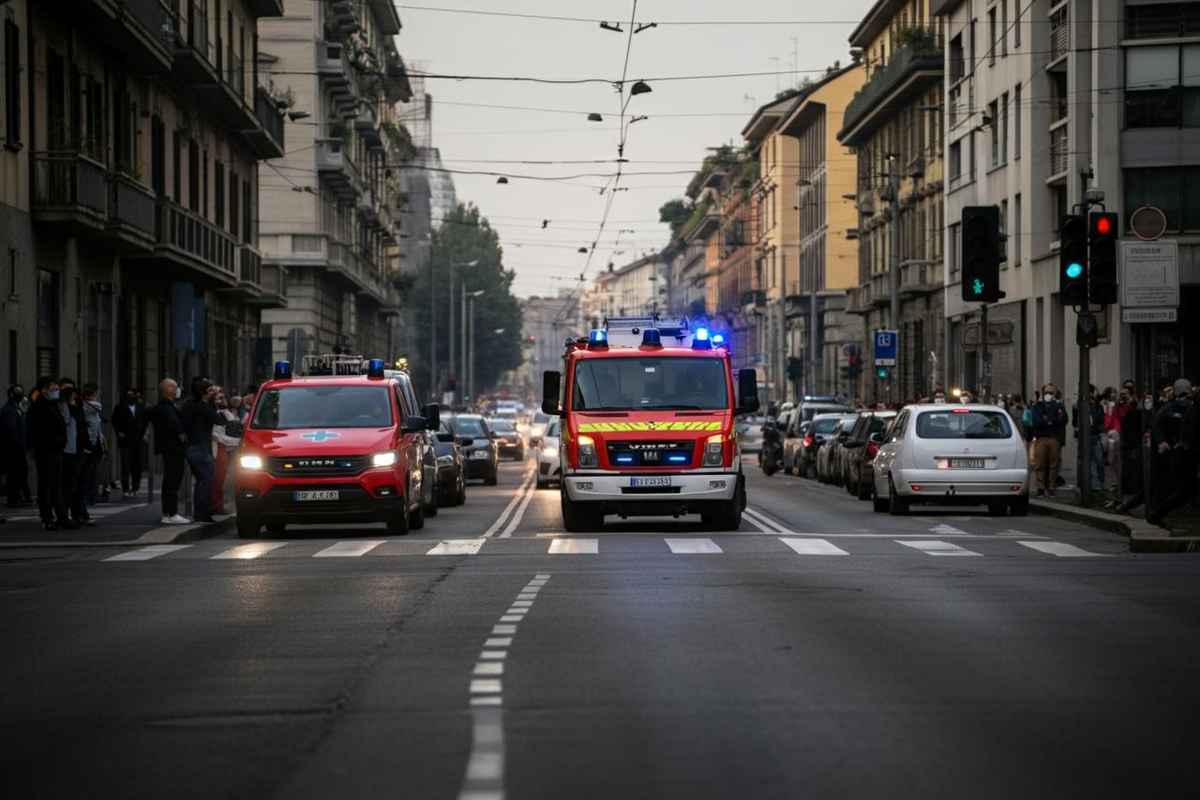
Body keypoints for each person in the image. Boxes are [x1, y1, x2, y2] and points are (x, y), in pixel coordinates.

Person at [1147, 379, 1195, 528]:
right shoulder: (1170, 408)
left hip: (1182, 451)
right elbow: (1156, 425)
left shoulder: (1189, 408)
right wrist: (1163, 442)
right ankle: (1157, 512)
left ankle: (1159, 512)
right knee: (1171, 485)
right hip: (1172, 453)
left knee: (1179, 486)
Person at [29, 377, 71, 530]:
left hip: (56, 451)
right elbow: (39, 431)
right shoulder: (39, 406)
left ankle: (61, 517)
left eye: (57, 388)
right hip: (46, 451)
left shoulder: (53, 405)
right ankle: (47, 518)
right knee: (46, 485)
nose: (56, 391)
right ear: (44, 390)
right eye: (53, 388)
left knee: (55, 485)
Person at [148, 378, 189, 525]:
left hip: (170, 448)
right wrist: (182, 435)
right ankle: (171, 513)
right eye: (175, 387)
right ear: (169, 389)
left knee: (171, 481)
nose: (178, 389)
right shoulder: (166, 407)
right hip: (173, 448)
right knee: (173, 481)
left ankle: (169, 513)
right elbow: (175, 425)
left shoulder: (167, 406)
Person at [181, 376, 221, 523]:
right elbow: (217, 419)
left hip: (193, 446)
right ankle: (202, 513)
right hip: (201, 447)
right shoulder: (202, 406)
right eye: (210, 390)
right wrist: (213, 402)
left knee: (201, 480)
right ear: (204, 392)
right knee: (206, 480)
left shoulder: (188, 405)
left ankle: (201, 512)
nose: (213, 393)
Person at [1025, 383, 1068, 497]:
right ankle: (1040, 488)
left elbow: (1063, 420)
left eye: (1051, 392)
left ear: (1055, 394)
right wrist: (1051, 421)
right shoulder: (1038, 405)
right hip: (1041, 438)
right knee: (1040, 464)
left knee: (1054, 464)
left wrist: (1048, 420)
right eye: (1047, 392)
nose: (1049, 394)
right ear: (1043, 393)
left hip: (1054, 438)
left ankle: (1051, 487)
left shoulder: (1059, 405)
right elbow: (1037, 421)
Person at [77, 384, 105, 524]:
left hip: (91, 445)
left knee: (87, 477)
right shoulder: (91, 406)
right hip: (88, 446)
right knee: (84, 478)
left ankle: (84, 506)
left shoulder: (85, 406)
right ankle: (83, 506)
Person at [211, 387, 240, 516]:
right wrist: (237, 442)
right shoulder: (214, 414)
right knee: (218, 479)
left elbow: (235, 426)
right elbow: (218, 436)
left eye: (223, 397)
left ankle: (221, 505)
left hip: (227, 448)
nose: (223, 400)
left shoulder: (226, 413)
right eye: (219, 398)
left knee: (225, 479)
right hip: (218, 447)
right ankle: (216, 506)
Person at [111, 386, 145, 496]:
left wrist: (143, 433)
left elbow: (145, 422)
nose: (130, 397)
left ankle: (135, 486)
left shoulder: (141, 407)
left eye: (132, 394)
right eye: (128, 395)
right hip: (125, 440)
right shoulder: (120, 407)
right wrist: (119, 432)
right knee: (125, 464)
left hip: (138, 440)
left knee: (137, 464)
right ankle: (125, 488)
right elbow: (114, 421)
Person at [1, 385, 30, 507]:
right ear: (11, 395)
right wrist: (18, 445)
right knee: (15, 473)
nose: (21, 394)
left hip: (19, 446)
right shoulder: (9, 410)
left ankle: (17, 497)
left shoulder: (18, 408)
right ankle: (13, 499)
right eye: (18, 392)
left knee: (20, 473)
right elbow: (11, 430)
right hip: (13, 448)